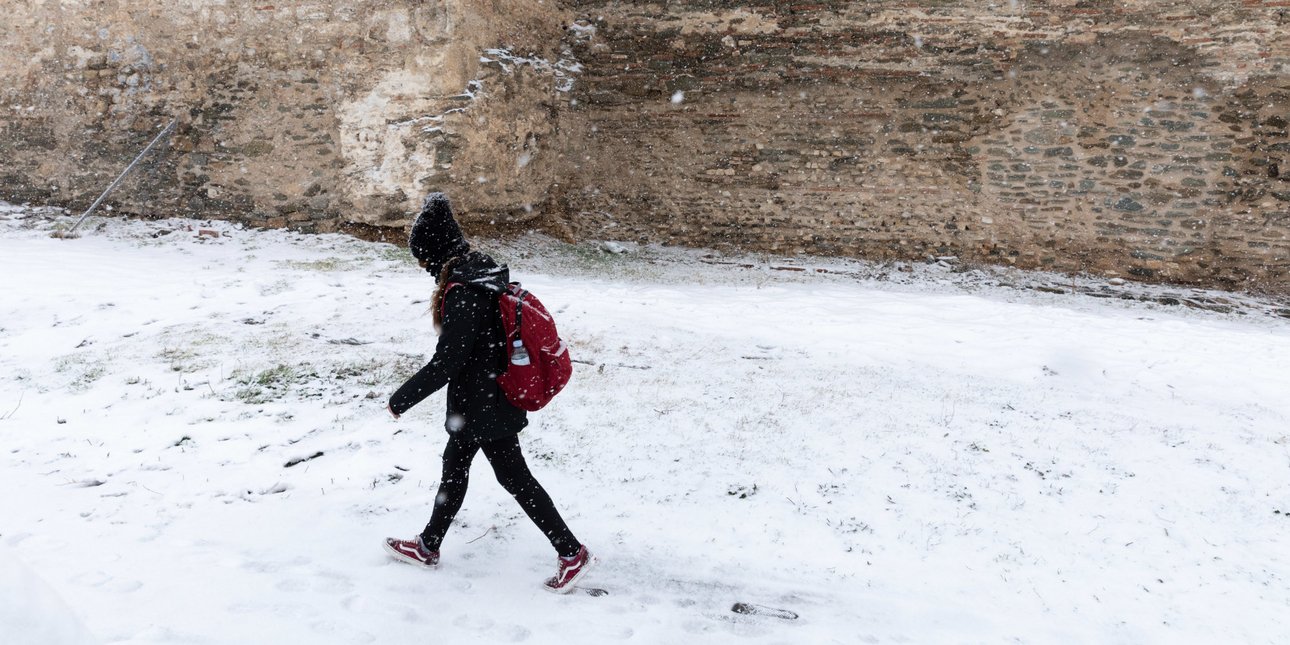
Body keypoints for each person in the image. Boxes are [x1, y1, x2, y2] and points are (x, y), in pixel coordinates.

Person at [382, 193, 593, 593]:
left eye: (424, 259)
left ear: (436, 251)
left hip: (483, 404)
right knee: (457, 470)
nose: (425, 268)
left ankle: (572, 553)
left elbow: (448, 361)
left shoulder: (464, 291)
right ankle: (429, 545)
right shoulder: (481, 274)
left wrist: (400, 400)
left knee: (513, 478)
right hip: (486, 398)